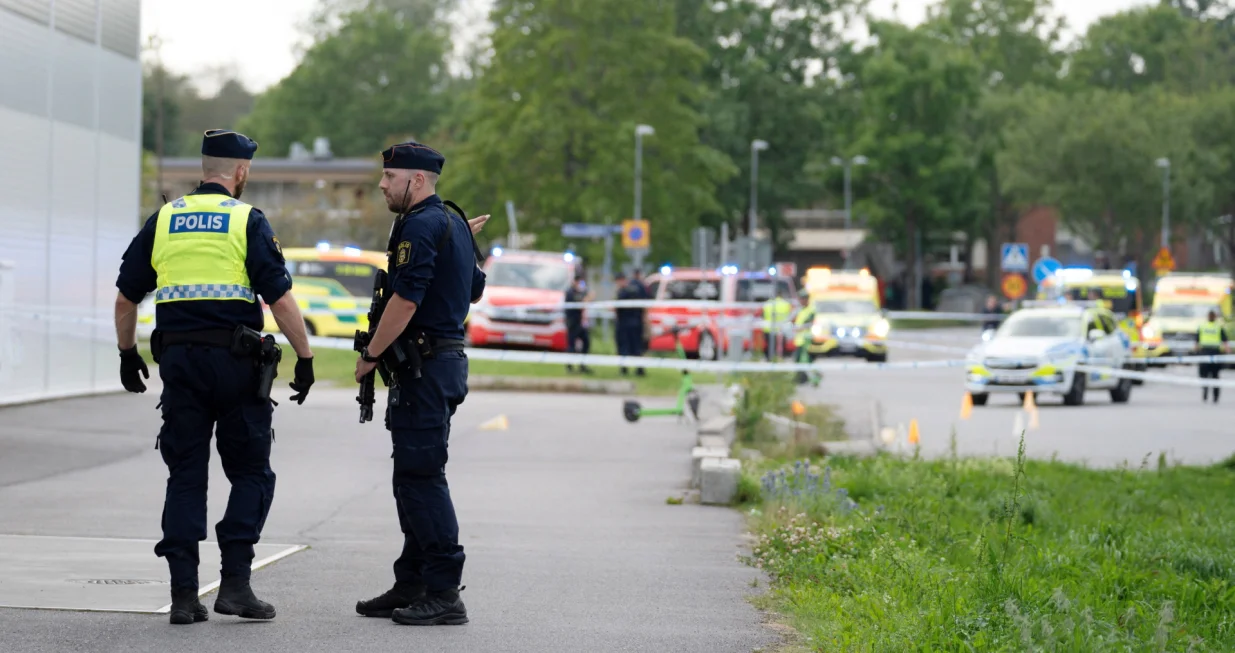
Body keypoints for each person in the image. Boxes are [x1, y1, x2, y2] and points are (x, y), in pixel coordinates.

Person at [113, 129, 316, 625]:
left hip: (179, 365)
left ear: (204, 169)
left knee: (185, 475)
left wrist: (126, 353)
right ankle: (236, 585)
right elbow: (279, 298)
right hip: (236, 366)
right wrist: (305, 357)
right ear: (240, 172)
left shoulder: (163, 219)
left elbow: (125, 297)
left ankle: (184, 595)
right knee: (250, 472)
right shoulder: (247, 219)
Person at [353, 140, 486, 626]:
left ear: (417, 181)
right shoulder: (451, 223)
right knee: (410, 477)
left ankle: (445, 592)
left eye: (390, 178)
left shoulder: (423, 224)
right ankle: (412, 582)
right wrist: (465, 244)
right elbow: (473, 287)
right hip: (437, 366)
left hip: (426, 368)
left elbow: (405, 301)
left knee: (422, 478)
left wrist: (370, 355)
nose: (383, 185)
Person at [615, 271, 649, 376]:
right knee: (637, 347)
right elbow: (645, 304)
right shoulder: (639, 287)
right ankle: (640, 369)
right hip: (637, 323)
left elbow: (617, 308)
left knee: (624, 346)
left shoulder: (623, 291)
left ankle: (624, 369)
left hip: (624, 324)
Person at [564, 276, 593, 374]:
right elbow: (581, 304)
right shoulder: (571, 293)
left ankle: (582, 365)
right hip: (573, 323)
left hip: (579, 323)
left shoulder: (579, 292)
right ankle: (569, 367)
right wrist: (588, 297)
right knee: (571, 345)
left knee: (586, 342)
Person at [1198, 310, 1228, 403]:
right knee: (1210, 376)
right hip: (1211, 352)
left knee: (1210, 375)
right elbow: (1225, 341)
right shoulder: (1215, 327)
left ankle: (1211, 394)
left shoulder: (1206, 326)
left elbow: (1225, 341)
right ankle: (1210, 394)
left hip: (1209, 352)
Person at [761, 287, 793, 361]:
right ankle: (780, 360)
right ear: (781, 295)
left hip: (768, 329)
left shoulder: (767, 303)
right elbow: (789, 316)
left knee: (770, 348)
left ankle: (770, 361)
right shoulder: (786, 304)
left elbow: (762, 316)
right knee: (780, 349)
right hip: (781, 330)